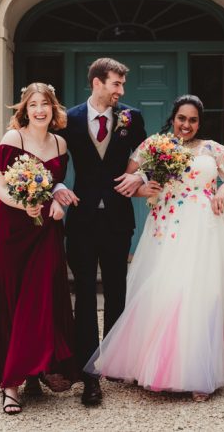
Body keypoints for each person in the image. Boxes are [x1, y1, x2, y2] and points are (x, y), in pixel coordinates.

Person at [85, 94, 224, 401]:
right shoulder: (154, 146)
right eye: (181, 118)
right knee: (166, 290)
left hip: (208, 227)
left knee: (203, 295)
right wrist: (143, 187)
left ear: (199, 123)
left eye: (192, 120)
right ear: (172, 118)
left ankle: (201, 370)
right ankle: (159, 366)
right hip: (167, 227)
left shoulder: (212, 149)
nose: (186, 125)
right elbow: (126, 182)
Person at [52, 58, 147, 407]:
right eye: (115, 85)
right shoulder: (69, 119)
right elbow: (56, 164)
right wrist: (56, 186)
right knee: (86, 298)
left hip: (119, 218)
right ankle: (89, 374)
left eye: (122, 85)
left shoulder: (131, 118)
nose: (121, 92)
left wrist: (142, 178)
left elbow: (146, 157)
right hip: (82, 217)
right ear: (96, 83)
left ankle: (117, 363)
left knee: (118, 291)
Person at [0, 82, 78, 415]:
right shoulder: (14, 139)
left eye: (46, 104)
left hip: (46, 232)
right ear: (24, 109)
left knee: (42, 299)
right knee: (14, 302)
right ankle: (11, 384)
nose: (40, 110)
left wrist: (57, 199)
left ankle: (38, 369)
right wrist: (22, 205)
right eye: (33, 104)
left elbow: (54, 184)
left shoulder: (60, 142)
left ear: (54, 109)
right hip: (12, 230)